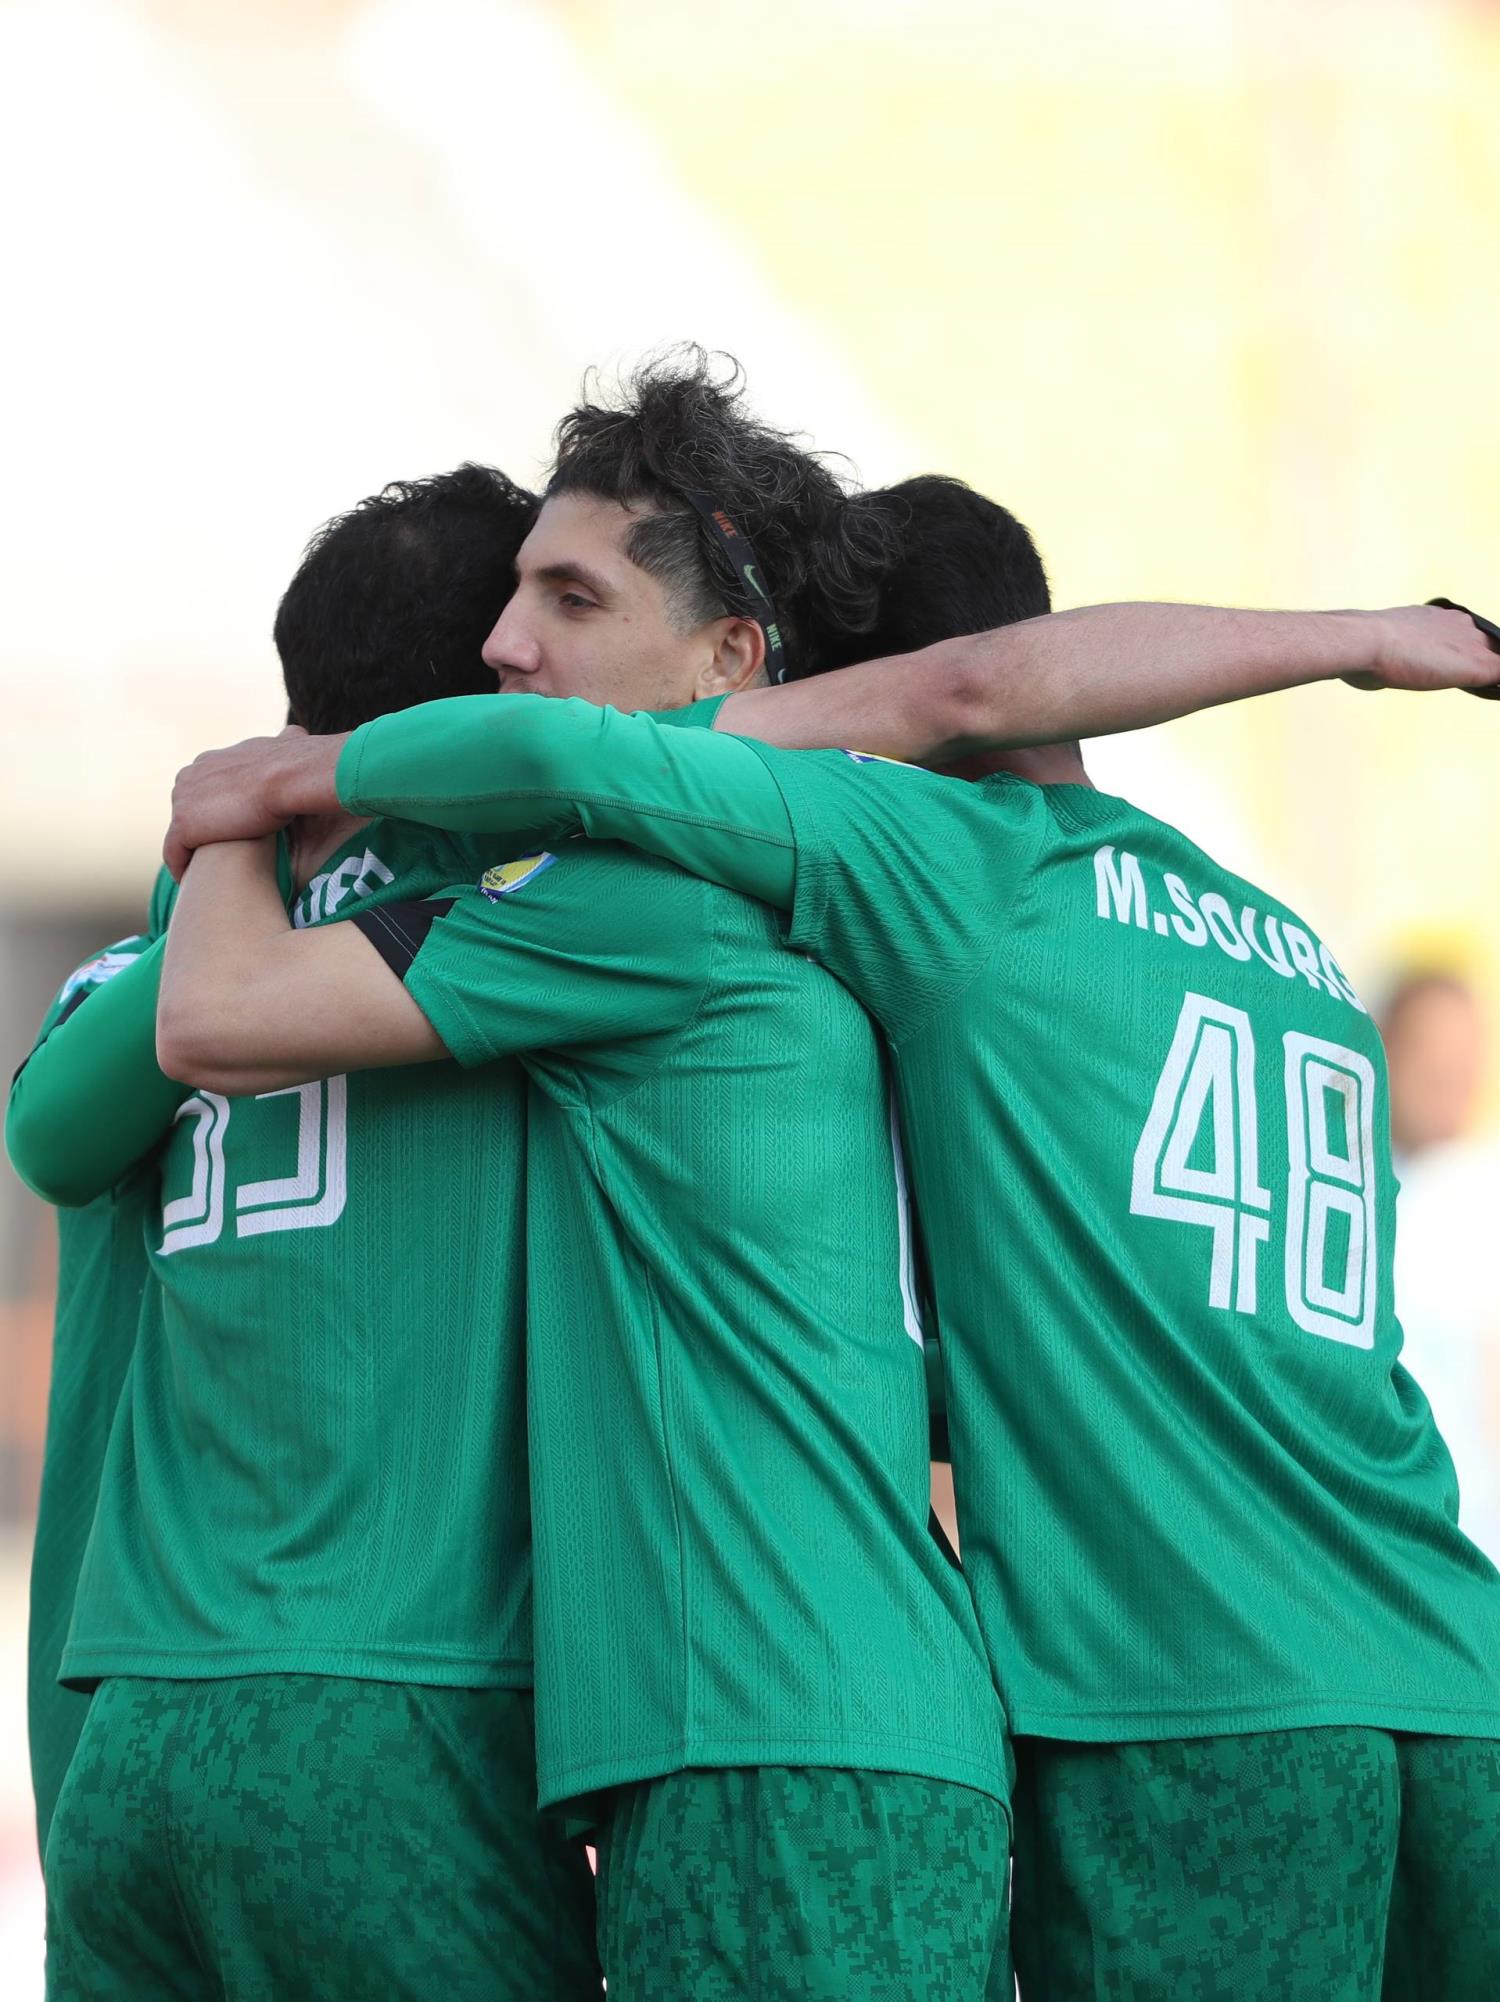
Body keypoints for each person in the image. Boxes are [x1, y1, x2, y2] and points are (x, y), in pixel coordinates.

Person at [188, 469, 1500, 2001]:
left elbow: (629, 752)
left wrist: (302, 775)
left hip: (1195, 1693)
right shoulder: (1292, 948)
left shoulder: (946, 859)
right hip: (1452, 1657)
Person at [152, 357, 1017, 2002]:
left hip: (768, 1729)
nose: (501, 642)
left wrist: (253, 792)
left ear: (730, 659)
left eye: (571, 596)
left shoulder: (628, 904)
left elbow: (211, 1016)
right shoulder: (810, 872)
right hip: (824, 1716)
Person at [11, 465, 605, 2002]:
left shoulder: (148, 966)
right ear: (486, 688)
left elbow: (46, 1136)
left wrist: (235, 828)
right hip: (402, 1703)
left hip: (128, 1718)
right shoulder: (520, 916)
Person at [1383, 969, 1500, 1564]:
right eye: (1429, 1053)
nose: (1447, 1076)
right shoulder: (1354, 1187)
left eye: (1462, 1057)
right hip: (1388, 1535)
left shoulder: (1479, 1190)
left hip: (1472, 1548)